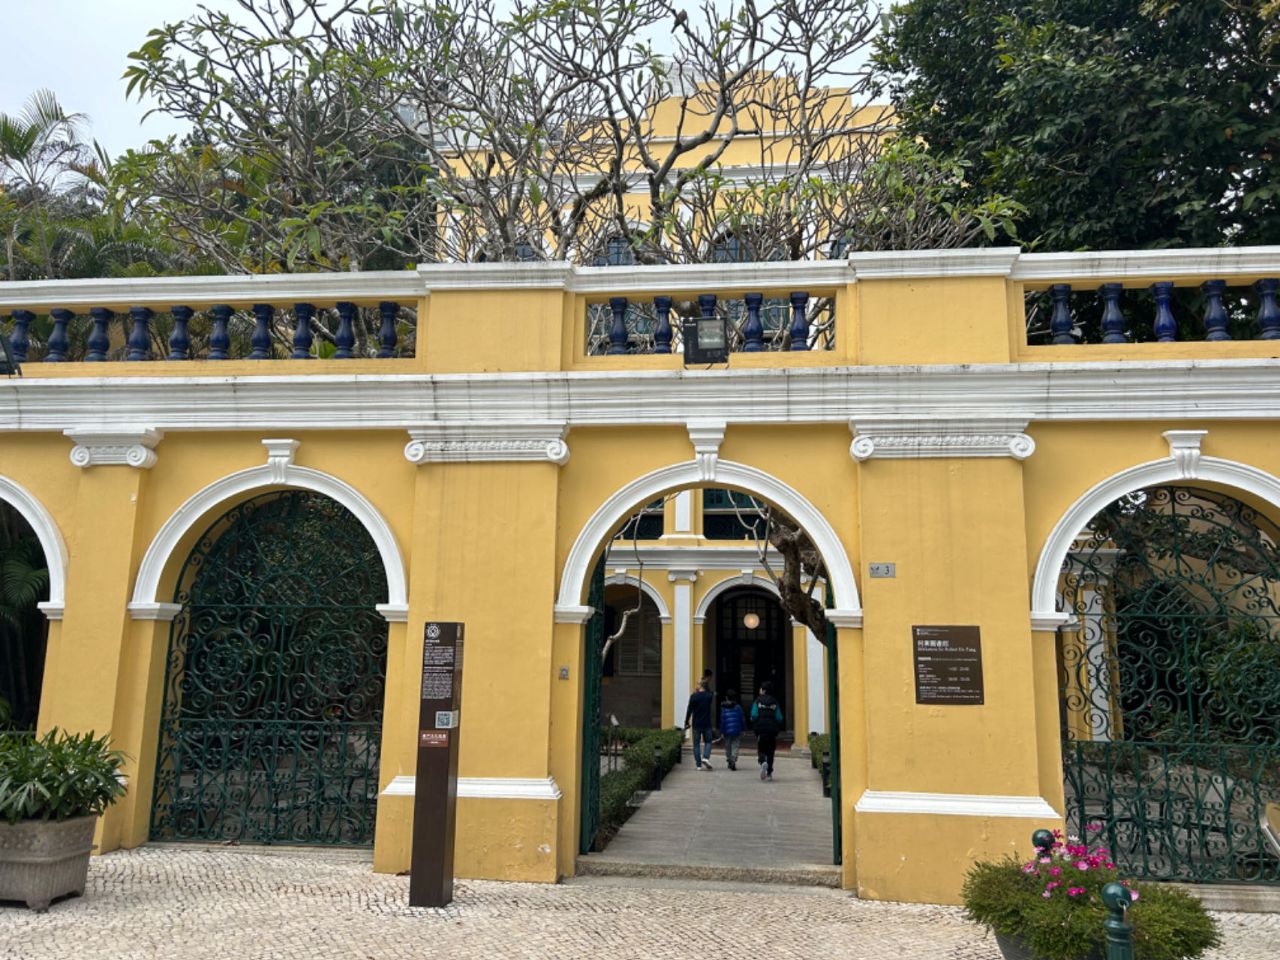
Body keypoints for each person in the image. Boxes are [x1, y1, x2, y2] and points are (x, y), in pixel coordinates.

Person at [750, 681, 783, 781]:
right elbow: (779, 717)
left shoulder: (757, 701)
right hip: (772, 730)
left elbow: (754, 715)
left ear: (763, 690)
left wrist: (752, 719)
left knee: (761, 748)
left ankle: (762, 760)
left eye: (760, 688)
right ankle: (769, 773)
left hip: (760, 729)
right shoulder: (775, 702)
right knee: (771, 750)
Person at [684, 678, 716, 770]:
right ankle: (705, 757)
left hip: (696, 723)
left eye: (698, 684)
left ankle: (698, 765)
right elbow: (711, 693)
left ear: (701, 686)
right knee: (708, 742)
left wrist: (686, 721)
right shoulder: (709, 696)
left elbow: (689, 710)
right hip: (707, 723)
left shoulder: (693, 696)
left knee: (696, 744)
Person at [719, 690, 745, 771]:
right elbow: (742, 719)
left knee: (727, 746)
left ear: (727, 698)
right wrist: (743, 729)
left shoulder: (723, 708)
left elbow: (722, 721)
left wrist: (722, 731)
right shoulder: (738, 707)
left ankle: (729, 759)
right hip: (737, 730)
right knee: (735, 745)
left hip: (727, 731)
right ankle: (733, 759)